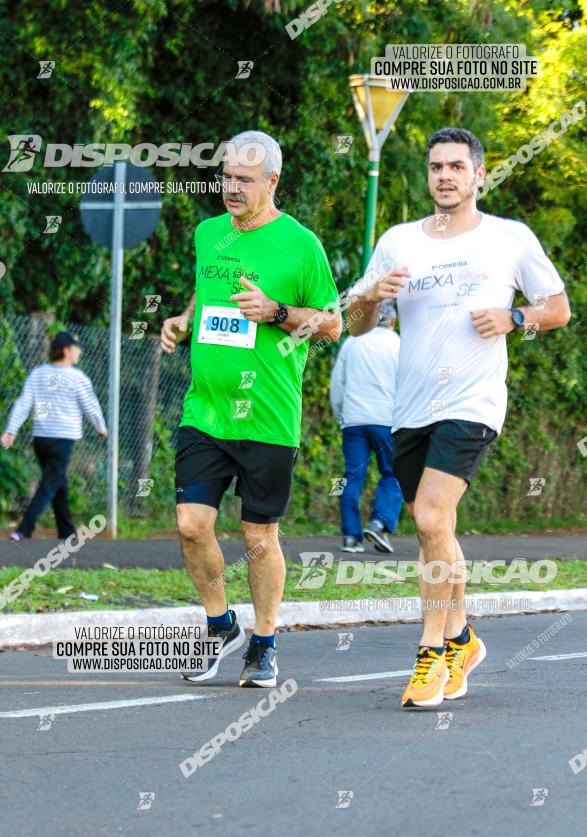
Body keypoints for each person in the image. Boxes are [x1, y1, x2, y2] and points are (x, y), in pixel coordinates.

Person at [347, 127, 571, 708]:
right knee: (434, 529)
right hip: (410, 407)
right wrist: (372, 294)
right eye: (435, 167)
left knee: (427, 512)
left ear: (478, 175)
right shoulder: (399, 241)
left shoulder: (509, 238)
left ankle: (431, 654)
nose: (444, 176)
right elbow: (356, 325)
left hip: (472, 403)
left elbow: (559, 307)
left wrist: (516, 319)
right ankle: (463, 638)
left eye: (455, 166)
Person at [160, 130, 341, 688]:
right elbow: (207, 287)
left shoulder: (300, 244)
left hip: (268, 414)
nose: (230, 187)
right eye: (225, 176)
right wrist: (185, 318)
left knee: (259, 537)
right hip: (206, 410)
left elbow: (333, 324)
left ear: (272, 182)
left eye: (244, 179)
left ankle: (263, 642)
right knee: (192, 525)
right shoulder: (207, 233)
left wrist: (278, 310)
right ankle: (221, 625)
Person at [1, 331, 108, 541]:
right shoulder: (78, 378)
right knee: (50, 484)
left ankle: (67, 533)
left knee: (58, 482)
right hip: (63, 439)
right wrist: (101, 428)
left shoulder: (38, 373)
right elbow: (91, 407)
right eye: (77, 348)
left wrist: (11, 430)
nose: (80, 352)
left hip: (41, 439)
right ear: (66, 350)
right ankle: (23, 530)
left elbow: (24, 403)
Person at [329, 298, 403, 553]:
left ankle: (351, 538)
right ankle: (380, 522)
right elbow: (408, 387)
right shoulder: (399, 345)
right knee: (394, 473)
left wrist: (342, 416)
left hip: (353, 421)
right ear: (392, 319)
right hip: (388, 422)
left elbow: (337, 386)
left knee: (352, 477)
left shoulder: (352, 343)